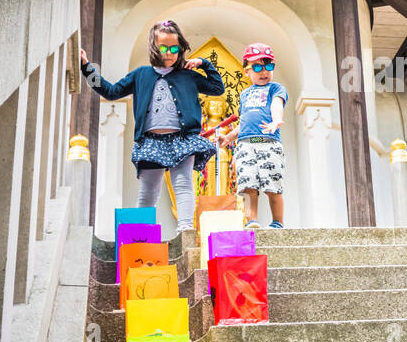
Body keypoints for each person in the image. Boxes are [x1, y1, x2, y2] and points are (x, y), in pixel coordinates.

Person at [80, 20, 224, 232]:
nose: (169, 53)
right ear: (154, 47)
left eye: (174, 48)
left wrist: (203, 63)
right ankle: (141, 232)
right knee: (148, 190)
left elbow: (217, 88)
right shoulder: (140, 74)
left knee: (183, 183)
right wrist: (86, 69)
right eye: (164, 48)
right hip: (151, 140)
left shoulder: (188, 75)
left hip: (182, 139)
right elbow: (111, 92)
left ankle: (185, 228)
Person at [219, 44, 288, 229]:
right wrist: (229, 137)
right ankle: (252, 221)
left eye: (268, 66)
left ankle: (278, 222)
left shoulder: (276, 88)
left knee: (273, 184)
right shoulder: (244, 94)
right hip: (246, 144)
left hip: (268, 142)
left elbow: (277, 104)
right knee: (247, 184)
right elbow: (244, 122)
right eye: (257, 67)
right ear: (247, 71)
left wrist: (276, 120)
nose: (263, 71)